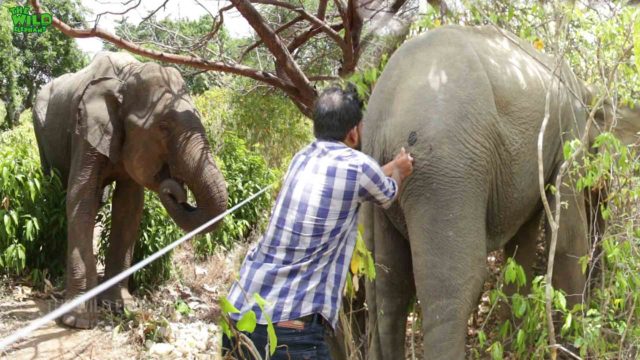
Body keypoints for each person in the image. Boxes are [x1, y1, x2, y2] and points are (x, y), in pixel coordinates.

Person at [222, 84, 414, 359]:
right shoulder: (359, 166)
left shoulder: (301, 158)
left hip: (239, 314)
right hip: (290, 330)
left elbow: (355, 184)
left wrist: (389, 168)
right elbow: (387, 194)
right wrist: (400, 170)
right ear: (354, 131)